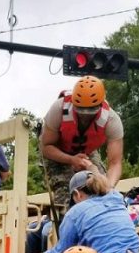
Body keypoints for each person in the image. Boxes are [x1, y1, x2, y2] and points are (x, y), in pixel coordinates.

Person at [40, 76, 124, 209]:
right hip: (57, 152)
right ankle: (65, 221)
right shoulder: (58, 109)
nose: (84, 117)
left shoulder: (112, 120)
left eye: (90, 112)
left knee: (99, 189)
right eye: (80, 111)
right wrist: (71, 159)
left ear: (100, 105)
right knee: (66, 195)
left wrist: (108, 187)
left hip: (87, 152)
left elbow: (115, 163)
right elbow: (46, 147)